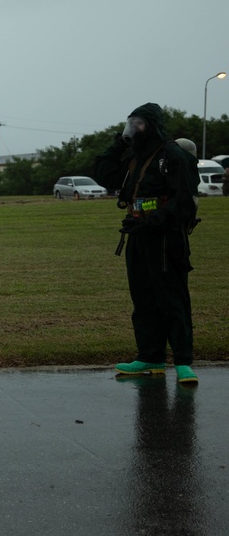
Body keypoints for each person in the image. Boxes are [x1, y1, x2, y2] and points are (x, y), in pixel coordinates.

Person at [94, 103, 201, 384]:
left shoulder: (172, 155)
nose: (135, 129)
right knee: (143, 297)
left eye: (139, 124)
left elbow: (184, 203)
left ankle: (183, 363)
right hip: (137, 233)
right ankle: (150, 357)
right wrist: (118, 144)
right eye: (132, 123)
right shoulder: (134, 157)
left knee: (171, 298)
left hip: (166, 237)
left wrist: (153, 222)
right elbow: (103, 175)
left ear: (152, 125)